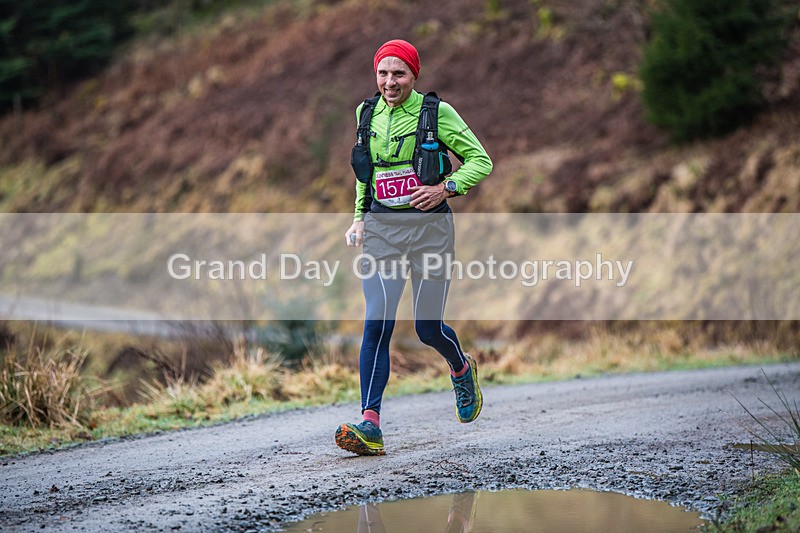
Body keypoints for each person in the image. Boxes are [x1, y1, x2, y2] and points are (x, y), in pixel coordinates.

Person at [337, 39, 493, 456]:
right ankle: (370, 424)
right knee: (377, 323)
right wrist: (358, 218)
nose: (390, 82)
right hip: (383, 231)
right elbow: (364, 172)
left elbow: (480, 160)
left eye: (399, 74)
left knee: (426, 329)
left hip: (430, 232)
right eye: (383, 74)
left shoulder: (436, 113)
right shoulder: (364, 113)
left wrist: (447, 187)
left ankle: (461, 369)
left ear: (413, 76)